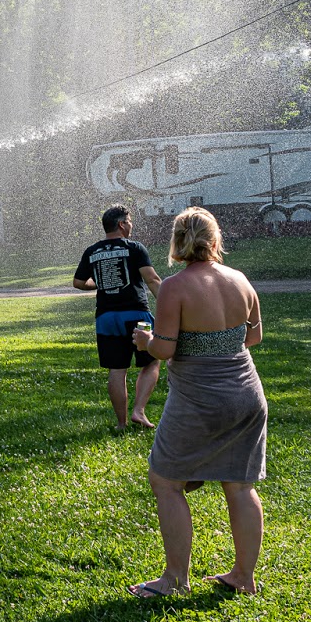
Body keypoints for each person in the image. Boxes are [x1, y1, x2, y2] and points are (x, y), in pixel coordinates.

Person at [128, 207, 266, 598]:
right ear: (215, 238)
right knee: (240, 486)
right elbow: (252, 339)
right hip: (246, 394)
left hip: (201, 398)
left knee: (165, 480)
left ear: (177, 241)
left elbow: (166, 350)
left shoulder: (175, 286)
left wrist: (145, 342)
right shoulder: (240, 280)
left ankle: (174, 580)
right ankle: (244, 577)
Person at [72, 204, 164, 430]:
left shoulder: (92, 251)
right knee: (152, 361)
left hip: (106, 318)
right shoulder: (134, 248)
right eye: (129, 221)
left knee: (117, 369)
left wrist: (101, 283)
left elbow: (78, 282)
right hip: (137, 315)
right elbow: (152, 280)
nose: (131, 225)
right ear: (122, 224)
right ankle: (138, 412)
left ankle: (121, 423)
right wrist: (168, 305)